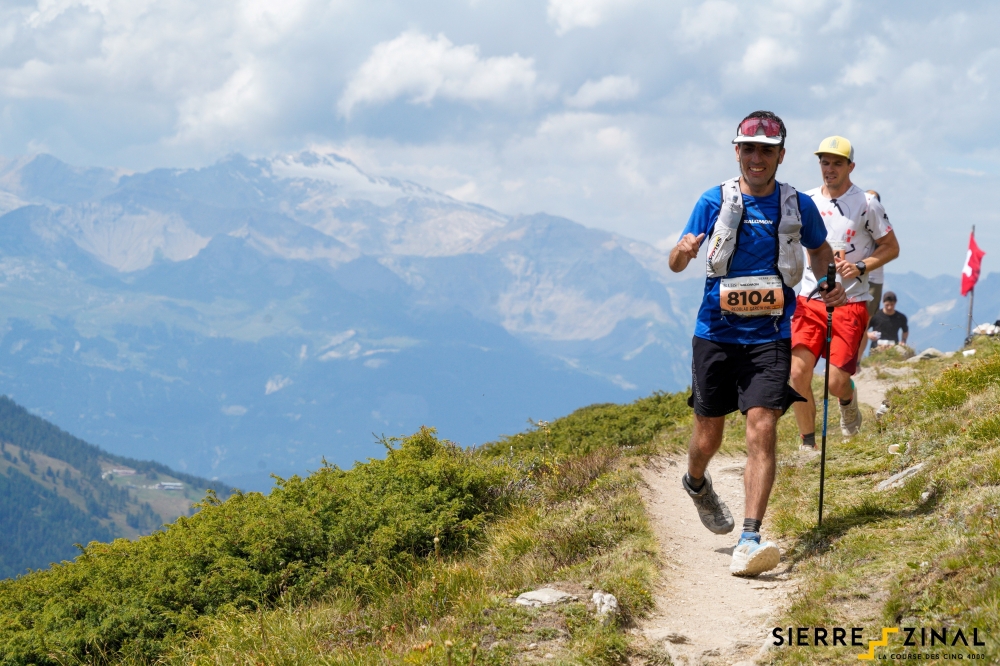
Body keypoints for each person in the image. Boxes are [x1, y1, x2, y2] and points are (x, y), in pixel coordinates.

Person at [669, 111, 845, 577]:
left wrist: (828, 281)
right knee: (708, 436)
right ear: (737, 152)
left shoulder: (796, 206)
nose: (757, 158)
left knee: (762, 426)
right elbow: (675, 261)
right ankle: (696, 482)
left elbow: (820, 249)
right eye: (748, 149)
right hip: (716, 334)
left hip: (771, 335)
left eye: (766, 150)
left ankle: (750, 537)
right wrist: (683, 253)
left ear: (781, 156)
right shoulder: (714, 199)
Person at [790, 136, 899, 449]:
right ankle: (807, 444)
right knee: (798, 374)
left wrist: (862, 266)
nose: (830, 168)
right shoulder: (805, 201)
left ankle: (847, 400)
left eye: (837, 162)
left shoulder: (867, 203)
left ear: (851, 166)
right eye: (825, 162)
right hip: (809, 299)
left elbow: (891, 247)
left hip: (851, 302)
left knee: (836, 382)